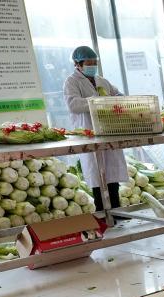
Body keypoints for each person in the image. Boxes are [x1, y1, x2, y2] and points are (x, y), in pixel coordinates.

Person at [63, 46, 127, 212]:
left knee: (112, 175)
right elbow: (73, 105)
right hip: (89, 132)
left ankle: (117, 213)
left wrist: (116, 98)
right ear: (78, 64)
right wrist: (95, 100)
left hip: (107, 131)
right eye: (89, 63)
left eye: (94, 62)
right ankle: (103, 214)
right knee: (97, 176)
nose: (92, 66)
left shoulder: (102, 81)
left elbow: (118, 95)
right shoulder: (72, 81)